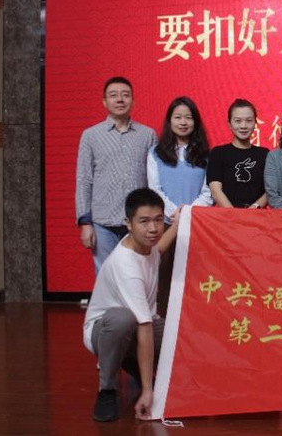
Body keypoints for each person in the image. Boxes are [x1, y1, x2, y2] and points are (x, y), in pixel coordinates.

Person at [83, 188, 178, 422]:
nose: (153, 228)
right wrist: (147, 391)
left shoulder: (147, 245)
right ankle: (107, 389)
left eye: (158, 220)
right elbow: (143, 327)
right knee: (123, 319)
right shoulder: (126, 265)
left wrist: (179, 223)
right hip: (104, 331)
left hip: (138, 326)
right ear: (128, 223)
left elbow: (160, 249)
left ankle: (130, 359)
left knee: (179, 329)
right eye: (144, 221)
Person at [76, 77, 157, 274]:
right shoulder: (91, 135)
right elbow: (84, 180)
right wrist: (85, 223)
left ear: (133, 101)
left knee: (138, 275)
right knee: (106, 277)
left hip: (138, 221)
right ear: (105, 102)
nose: (120, 99)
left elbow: (154, 181)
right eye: (113, 95)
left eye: (125, 95)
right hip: (103, 222)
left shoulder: (148, 135)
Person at [147, 96, 213, 316]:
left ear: (195, 122)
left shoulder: (206, 155)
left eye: (188, 117)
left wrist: (189, 212)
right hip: (166, 224)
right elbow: (154, 188)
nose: (183, 122)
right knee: (165, 275)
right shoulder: (155, 153)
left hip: (197, 224)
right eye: (178, 117)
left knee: (196, 276)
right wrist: (175, 213)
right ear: (170, 121)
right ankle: (164, 323)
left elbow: (208, 191)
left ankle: (194, 322)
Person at [207, 99, 269, 209]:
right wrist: (235, 215)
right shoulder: (218, 153)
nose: (243, 126)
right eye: (238, 121)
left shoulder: (265, 154)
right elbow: (215, 191)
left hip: (257, 216)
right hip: (226, 216)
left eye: (249, 120)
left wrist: (255, 207)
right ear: (229, 124)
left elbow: (271, 189)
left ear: (255, 123)